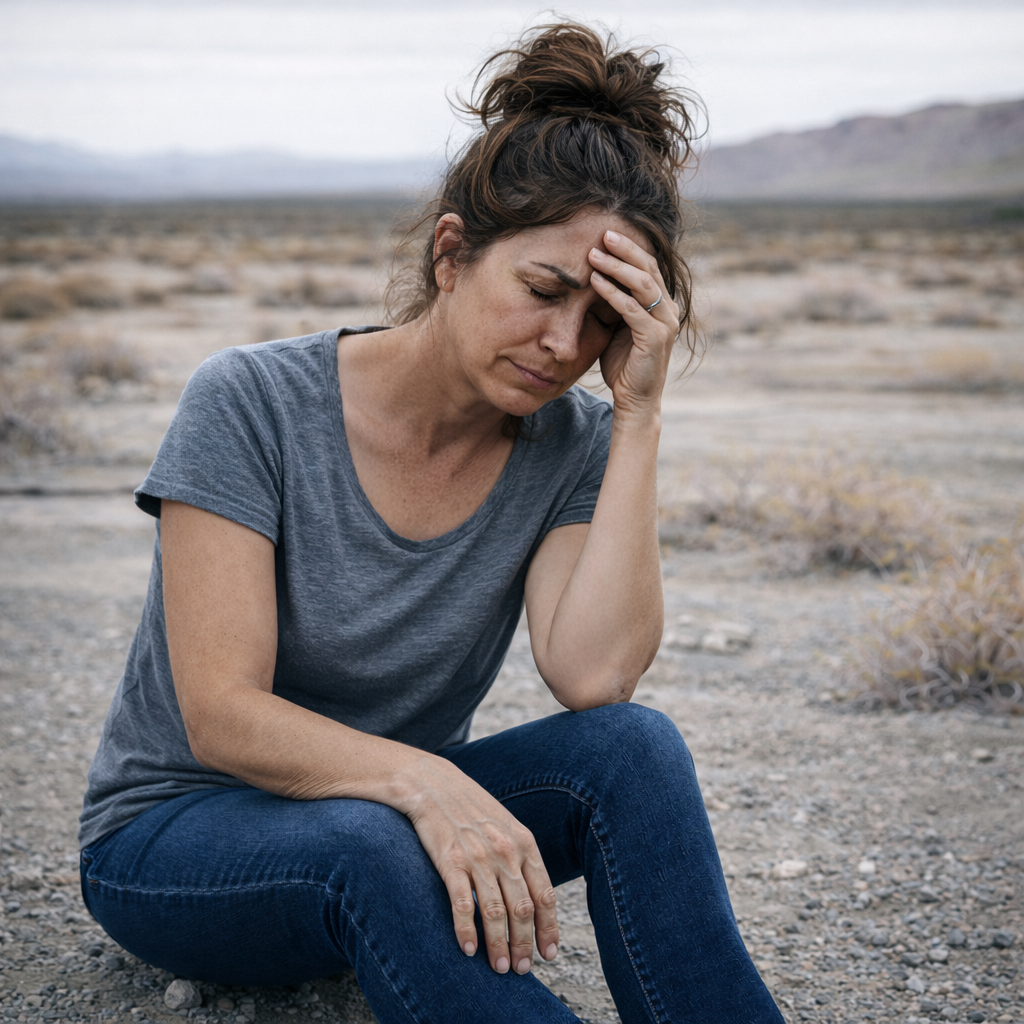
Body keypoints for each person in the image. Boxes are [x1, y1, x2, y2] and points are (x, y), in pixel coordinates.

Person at [78, 21, 784, 1024]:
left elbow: (593, 676)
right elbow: (221, 713)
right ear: (452, 254)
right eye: (544, 290)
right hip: (180, 838)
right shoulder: (250, 400)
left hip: (392, 816)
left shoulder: (570, 438)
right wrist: (421, 784)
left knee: (634, 748)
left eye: (602, 323)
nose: (561, 342)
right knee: (371, 842)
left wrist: (638, 415)